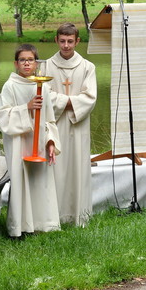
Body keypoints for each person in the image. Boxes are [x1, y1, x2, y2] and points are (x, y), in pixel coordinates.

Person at [0, 44, 61, 238]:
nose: (26, 63)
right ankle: (20, 226)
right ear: (16, 63)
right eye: (23, 60)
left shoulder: (44, 87)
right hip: (18, 142)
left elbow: (49, 119)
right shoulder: (10, 86)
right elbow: (3, 116)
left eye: (30, 60)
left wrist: (50, 142)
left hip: (39, 142)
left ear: (36, 63)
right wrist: (27, 108)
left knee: (41, 181)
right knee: (20, 180)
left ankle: (44, 223)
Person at [46, 23, 97, 226]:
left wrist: (64, 102)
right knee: (56, 169)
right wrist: (71, 101)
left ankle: (79, 216)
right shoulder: (47, 66)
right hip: (55, 124)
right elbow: (43, 94)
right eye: (62, 41)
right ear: (56, 40)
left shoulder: (87, 67)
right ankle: (55, 216)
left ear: (77, 41)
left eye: (70, 41)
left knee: (78, 168)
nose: (66, 45)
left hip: (78, 125)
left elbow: (90, 97)